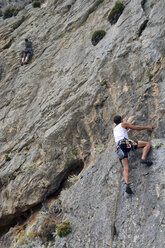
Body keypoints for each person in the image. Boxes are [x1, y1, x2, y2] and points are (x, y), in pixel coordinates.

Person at [113, 115, 152, 194]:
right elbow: (137, 128)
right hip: (124, 143)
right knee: (147, 144)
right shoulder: (123, 124)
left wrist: (130, 124)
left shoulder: (115, 129)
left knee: (126, 168)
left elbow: (124, 130)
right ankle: (143, 158)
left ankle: (127, 184)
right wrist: (147, 127)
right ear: (121, 120)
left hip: (118, 148)